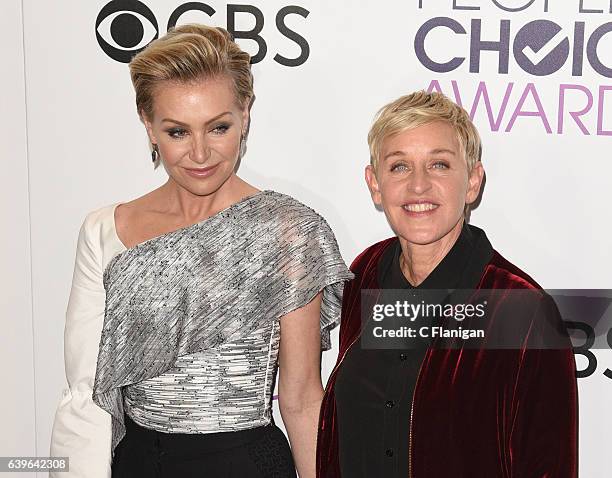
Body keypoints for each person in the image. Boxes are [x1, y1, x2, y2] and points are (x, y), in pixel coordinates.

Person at [50, 24, 352, 478]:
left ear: (245, 114)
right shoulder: (104, 231)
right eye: (177, 132)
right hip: (137, 463)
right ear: (148, 125)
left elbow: (303, 398)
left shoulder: (290, 232)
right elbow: (86, 394)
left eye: (219, 127)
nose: (200, 153)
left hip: (245, 463)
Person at [316, 91, 577, 477]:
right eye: (399, 167)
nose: (418, 186)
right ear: (375, 184)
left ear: (472, 181)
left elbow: (548, 465)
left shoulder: (519, 308)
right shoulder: (366, 273)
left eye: (439, 165)